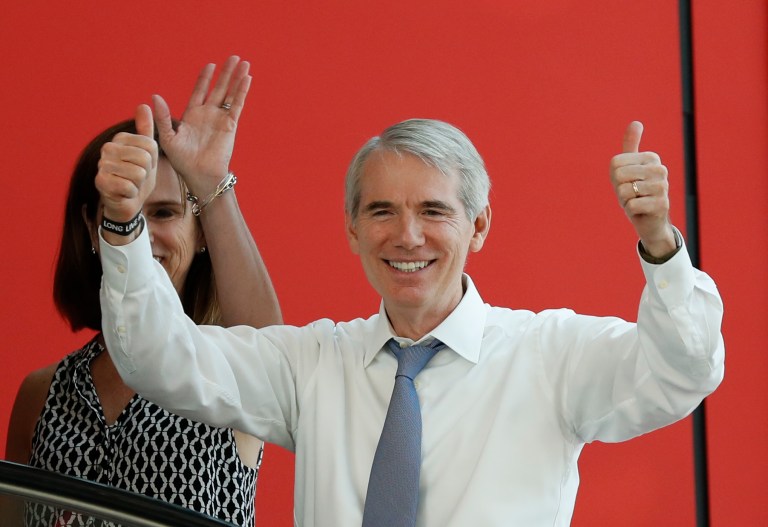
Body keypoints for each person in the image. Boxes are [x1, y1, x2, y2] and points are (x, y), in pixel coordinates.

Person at [96, 108, 724, 526]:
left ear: (478, 226)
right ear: (351, 229)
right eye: (381, 212)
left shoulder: (549, 355)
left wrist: (660, 244)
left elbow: (683, 371)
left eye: (433, 211)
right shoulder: (311, 365)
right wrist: (124, 224)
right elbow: (157, 357)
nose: (407, 236)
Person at [4, 56, 281, 526]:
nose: (142, 233)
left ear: (201, 236)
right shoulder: (42, 392)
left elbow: (272, 348)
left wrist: (211, 183)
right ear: (93, 228)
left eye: (165, 213)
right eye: (126, 213)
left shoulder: (221, 369)